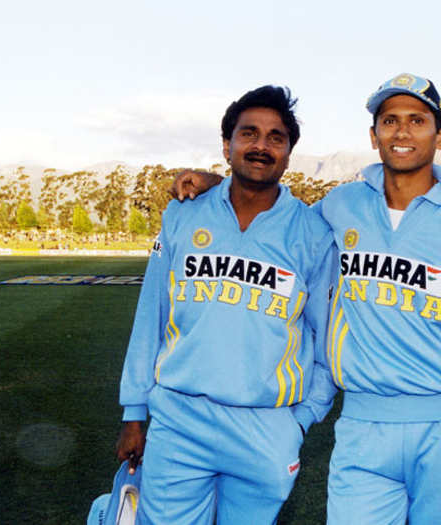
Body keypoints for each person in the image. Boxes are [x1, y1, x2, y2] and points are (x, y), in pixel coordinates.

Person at [172, 73, 441, 525]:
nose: (402, 132)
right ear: (373, 135)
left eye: (417, 120)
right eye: (389, 120)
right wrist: (218, 183)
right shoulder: (341, 207)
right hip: (361, 427)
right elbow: (279, 216)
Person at [117, 85, 336, 524]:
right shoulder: (183, 214)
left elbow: (327, 338)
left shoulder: (313, 233)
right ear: (227, 145)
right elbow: (151, 319)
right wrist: (135, 413)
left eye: (276, 137)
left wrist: (300, 420)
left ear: (289, 153)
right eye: (248, 133)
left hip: (266, 426)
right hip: (180, 420)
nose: (261, 146)